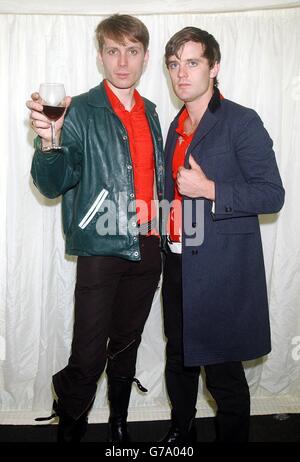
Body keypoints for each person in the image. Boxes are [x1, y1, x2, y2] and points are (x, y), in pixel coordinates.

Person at [27, 14, 164, 443]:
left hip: (149, 246)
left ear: (144, 57)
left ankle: (118, 424)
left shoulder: (154, 113)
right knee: (88, 353)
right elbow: (52, 185)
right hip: (100, 246)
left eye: (132, 50)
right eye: (112, 50)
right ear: (101, 56)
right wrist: (50, 139)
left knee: (126, 344)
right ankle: (71, 425)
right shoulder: (81, 109)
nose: (122, 61)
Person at [161, 26, 285, 443]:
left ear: (214, 67)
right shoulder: (175, 126)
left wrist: (209, 189)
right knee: (178, 359)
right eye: (175, 64)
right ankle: (181, 435)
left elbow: (272, 194)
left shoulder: (242, 121)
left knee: (223, 373)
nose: (182, 73)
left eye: (192, 62)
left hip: (220, 272)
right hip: (177, 262)